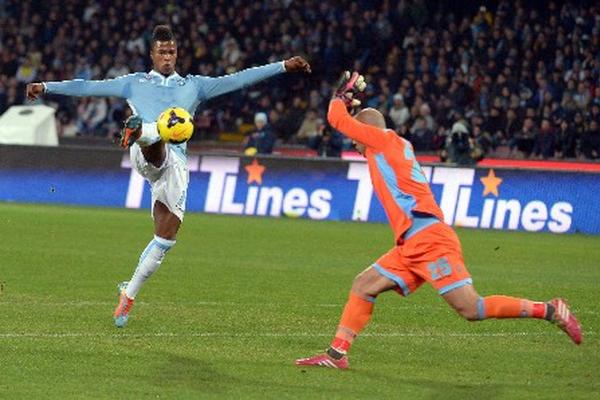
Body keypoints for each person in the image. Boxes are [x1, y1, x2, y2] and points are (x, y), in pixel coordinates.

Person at [26, 25, 311, 328]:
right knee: (155, 134)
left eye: (171, 51)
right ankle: (140, 132)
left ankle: (129, 294)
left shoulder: (195, 86)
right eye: (161, 51)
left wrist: (282, 66)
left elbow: (238, 79)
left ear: (177, 54)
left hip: (175, 164)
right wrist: (46, 86)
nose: (167, 56)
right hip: (144, 150)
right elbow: (87, 86)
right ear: (152, 54)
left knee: (165, 238)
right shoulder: (133, 83)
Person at [295, 72, 582, 370]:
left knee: (472, 308)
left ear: (368, 131)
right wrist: (349, 107)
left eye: (356, 136)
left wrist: (340, 97)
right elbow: (346, 123)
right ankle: (337, 354)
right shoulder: (389, 146)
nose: (352, 141)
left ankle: (549, 310)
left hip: (429, 240)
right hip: (412, 241)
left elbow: (337, 119)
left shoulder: (382, 141)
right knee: (364, 285)